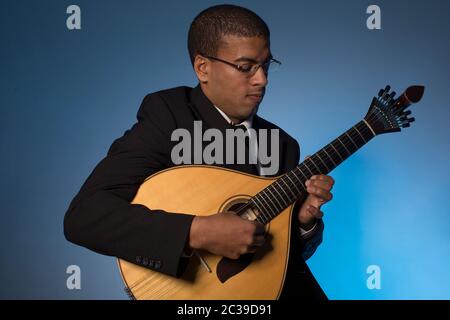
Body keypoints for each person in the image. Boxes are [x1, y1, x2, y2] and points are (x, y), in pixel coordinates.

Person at [64, 4, 334, 300]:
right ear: (202, 68)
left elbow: (281, 258)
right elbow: (84, 216)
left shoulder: (282, 144)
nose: (262, 80)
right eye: (246, 67)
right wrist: (196, 232)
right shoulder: (169, 116)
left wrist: (304, 222)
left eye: (266, 65)